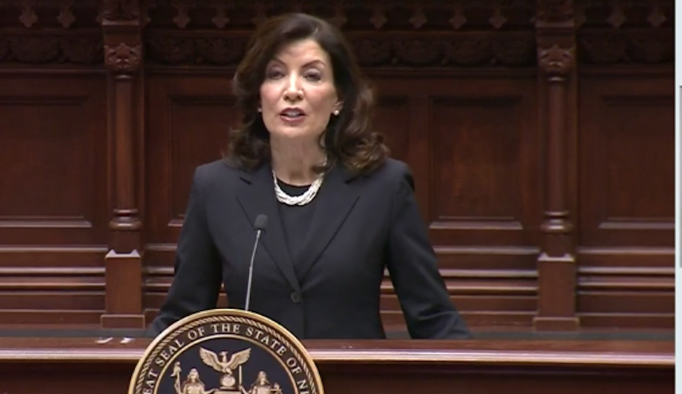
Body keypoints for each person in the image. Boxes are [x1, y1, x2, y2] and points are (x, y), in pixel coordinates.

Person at [148, 12, 471, 340]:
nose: (292, 90)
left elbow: (433, 317)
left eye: (312, 76)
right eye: (275, 74)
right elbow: (181, 321)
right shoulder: (216, 188)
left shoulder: (384, 186)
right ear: (259, 97)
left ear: (338, 99)